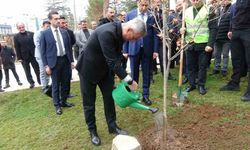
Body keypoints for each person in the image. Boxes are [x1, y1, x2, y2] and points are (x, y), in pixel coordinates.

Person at [76, 18, 145, 146]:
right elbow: (112, 61)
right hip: (88, 69)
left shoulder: (120, 33)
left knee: (109, 98)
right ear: (129, 30)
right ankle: (93, 131)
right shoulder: (107, 32)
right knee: (89, 102)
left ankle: (112, 126)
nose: (134, 40)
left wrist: (121, 72)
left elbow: (115, 56)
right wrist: (129, 80)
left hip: (105, 70)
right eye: (135, 37)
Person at [123, 0, 159, 106]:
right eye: (142, 5)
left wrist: (156, 50)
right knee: (134, 73)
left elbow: (155, 34)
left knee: (147, 73)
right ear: (138, 3)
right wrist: (125, 50)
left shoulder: (152, 16)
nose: (144, 7)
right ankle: (135, 95)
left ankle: (145, 95)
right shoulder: (130, 15)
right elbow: (125, 32)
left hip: (147, 49)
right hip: (134, 48)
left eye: (146, 5)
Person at [40, 11, 75, 115]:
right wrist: (46, 66)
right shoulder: (44, 34)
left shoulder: (64, 32)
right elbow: (43, 51)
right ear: (50, 20)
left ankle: (63, 101)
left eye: (58, 18)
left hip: (65, 60)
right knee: (55, 85)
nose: (58, 20)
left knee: (65, 82)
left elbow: (69, 48)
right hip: (53, 62)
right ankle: (57, 105)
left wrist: (71, 61)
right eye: (55, 19)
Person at [220, 0, 250, 102]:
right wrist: (231, 29)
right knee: (236, 59)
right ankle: (234, 83)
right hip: (236, 30)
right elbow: (234, 16)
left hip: (248, 30)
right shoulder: (237, 2)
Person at [182, 0, 213, 95]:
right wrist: (183, 30)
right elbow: (186, 26)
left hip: (203, 43)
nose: (195, 1)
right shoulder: (186, 11)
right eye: (193, 0)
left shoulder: (208, 10)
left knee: (202, 66)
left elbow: (213, 29)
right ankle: (192, 84)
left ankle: (201, 85)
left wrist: (210, 44)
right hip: (190, 42)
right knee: (190, 65)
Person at [14, 22, 40, 88]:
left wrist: (38, 54)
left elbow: (36, 44)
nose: (21, 28)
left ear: (24, 26)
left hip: (33, 55)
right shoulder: (16, 36)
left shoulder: (31, 34)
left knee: (37, 69)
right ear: (17, 28)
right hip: (23, 57)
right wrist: (19, 58)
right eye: (19, 28)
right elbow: (17, 47)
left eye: (22, 27)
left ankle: (40, 81)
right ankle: (31, 83)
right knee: (27, 71)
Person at [210, 0, 231, 77]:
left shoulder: (231, 9)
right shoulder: (218, 10)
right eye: (222, 0)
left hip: (226, 37)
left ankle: (224, 69)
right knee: (216, 54)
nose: (223, 1)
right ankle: (216, 68)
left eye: (225, 0)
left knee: (225, 54)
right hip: (217, 36)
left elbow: (231, 23)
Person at [59, 16, 77, 98]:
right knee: (60, 77)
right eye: (62, 23)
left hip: (68, 56)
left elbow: (73, 42)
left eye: (65, 23)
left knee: (68, 76)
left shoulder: (69, 32)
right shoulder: (56, 33)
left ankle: (67, 93)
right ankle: (60, 93)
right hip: (59, 58)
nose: (64, 24)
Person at [34, 20, 51, 93]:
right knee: (43, 71)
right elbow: (37, 45)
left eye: (49, 26)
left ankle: (47, 84)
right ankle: (44, 86)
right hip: (40, 55)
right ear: (43, 26)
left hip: (47, 55)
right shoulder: (38, 33)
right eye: (47, 26)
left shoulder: (48, 33)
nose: (48, 28)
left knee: (47, 71)